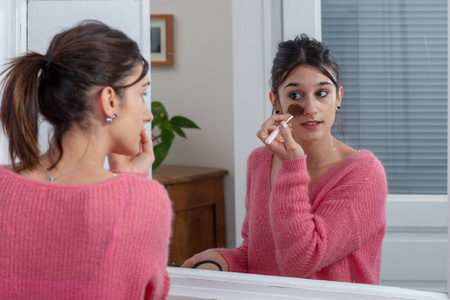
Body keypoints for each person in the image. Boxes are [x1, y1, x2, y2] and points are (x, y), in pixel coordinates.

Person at [182, 34, 387, 285]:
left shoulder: (363, 173)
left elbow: (301, 262)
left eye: (322, 93)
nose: (310, 107)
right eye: (295, 96)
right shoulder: (260, 162)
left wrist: (292, 167)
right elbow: (256, 255)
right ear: (276, 102)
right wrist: (218, 262)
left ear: (338, 98)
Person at [0, 20, 172, 299]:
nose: (147, 114)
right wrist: (130, 181)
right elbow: (150, 291)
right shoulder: (143, 200)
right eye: (141, 95)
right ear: (110, 101)